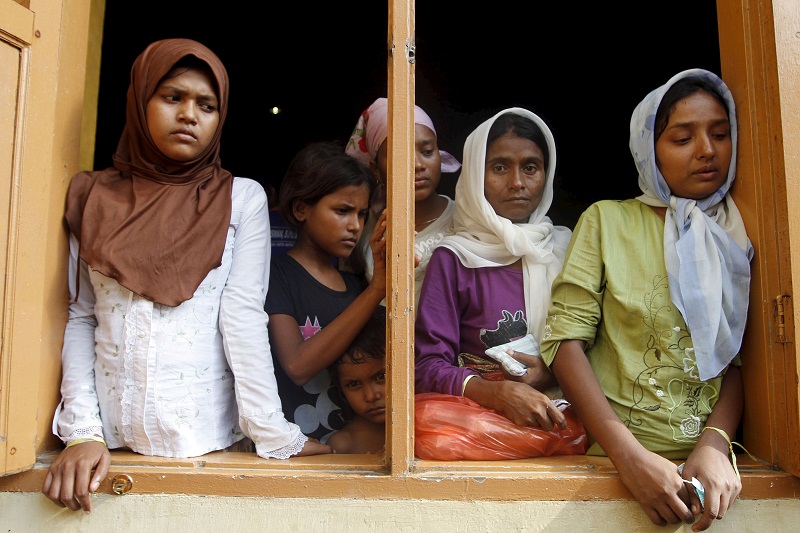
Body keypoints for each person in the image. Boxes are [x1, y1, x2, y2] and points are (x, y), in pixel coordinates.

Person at [42, 38, 330, 513]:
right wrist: (82, 434)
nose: (189, 115)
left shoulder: (241, 199)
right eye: (172, 97)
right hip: (109, 445)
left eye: (206, 105)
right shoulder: (91, 197)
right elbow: (82, 316)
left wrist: (272, 433)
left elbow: (242, 317)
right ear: (140, 102)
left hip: (210, 441)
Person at [540, 69, 753, 532]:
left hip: (711, 475)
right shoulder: (608, 221)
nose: (707, 150)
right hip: (613, 466)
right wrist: (629, 458)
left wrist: (715, 445)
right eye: (683, 138)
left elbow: (736, 359)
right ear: (648, 149)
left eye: (720, 134)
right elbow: (563, 342)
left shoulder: (735, 233)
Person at [414, 108, 572, 430]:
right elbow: (426, 366)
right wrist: (496, 393)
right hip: (483, 428)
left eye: (530, 167)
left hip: (568, 421)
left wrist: (554, 372)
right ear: (475, 174)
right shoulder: (455, 258)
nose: (517, 183)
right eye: (499, 167)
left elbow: (604, 349)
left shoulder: (567, 249)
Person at [265, 145, 387, 443]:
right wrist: (377, 291)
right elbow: (297, 366)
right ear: (301, 209)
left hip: (355, 450)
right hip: (298, 451)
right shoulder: (276, 277)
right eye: (342, 211)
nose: (355, 226)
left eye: (361, 214)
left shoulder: (356, 285)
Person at [345, 97, 461, 307]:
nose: (418, 165)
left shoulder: (465, 219)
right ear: (375, 169)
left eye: (427, 152)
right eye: (400, 155)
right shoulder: (364, 229)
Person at [327, 306, 387, 454]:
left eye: (381, 377)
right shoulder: (344, 445)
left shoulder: (430, 423)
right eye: (353, 384)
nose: (371, 396)